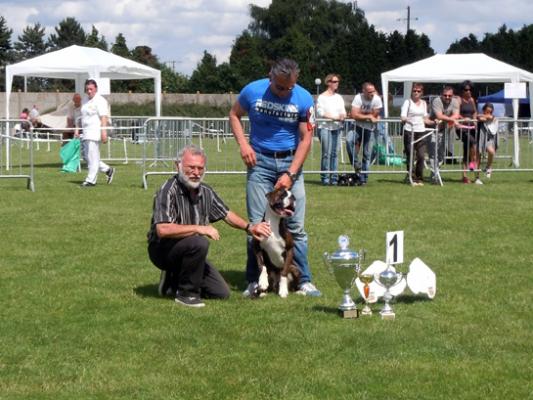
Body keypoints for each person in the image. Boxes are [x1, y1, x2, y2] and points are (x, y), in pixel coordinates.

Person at [229, 58, 322, 297]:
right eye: (280, 87)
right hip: (260, 162)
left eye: (289, 88)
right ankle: (254, 281)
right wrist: (243, 145)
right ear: (270, 76)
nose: (284, 92)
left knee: (296, 226)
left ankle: (304, 280)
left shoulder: (303, 98)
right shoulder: (252, 90)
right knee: (256, 226)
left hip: (291, 162)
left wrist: (291, 173)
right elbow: (234, 115)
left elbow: (306, 139)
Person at [147, 145, 271, 308]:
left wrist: (250, 227)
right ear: (177, 166)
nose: (196, 173)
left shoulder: (205, 191)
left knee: (221, 293)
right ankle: (186, 295)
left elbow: (226, 214)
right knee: (199, 242)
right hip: (163, 250)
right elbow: (162, 230)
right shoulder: (167, 190)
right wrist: (200, 228)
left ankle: (173, 279)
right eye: (191, 167)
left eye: (200, 168)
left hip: (190, 251)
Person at [77, 79, 115, 187]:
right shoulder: (84, 100)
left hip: (95, 131)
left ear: (96, 89)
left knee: (92, 156)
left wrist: (104, 131)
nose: (89, 91)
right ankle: (108, 170)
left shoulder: (100, 100)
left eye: (91, 89)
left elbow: (104, 117)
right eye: (87, 89)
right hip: (86, 131)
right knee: (87, 157)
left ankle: (90, 180)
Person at [347, 82, 383, 185]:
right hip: (356, 126)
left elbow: (375, 114)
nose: (372, 93)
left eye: (373, 91)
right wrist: (368, 116)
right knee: (349, 141)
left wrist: (360, 114)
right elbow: (354, 114)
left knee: (367, 154)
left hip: (370, 129)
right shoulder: (358, 98)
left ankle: (363, 179)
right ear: (364, 91)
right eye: (369, 92)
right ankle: (356, 164)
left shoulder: (377, 99)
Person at [400, 83, 434, 186]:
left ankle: (419, 178)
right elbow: (402, 117)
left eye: (418, 91)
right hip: (409, 131)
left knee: (421, 155)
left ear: (422, 93)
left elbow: (425, 119)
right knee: (410, 155)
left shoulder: (424, 103)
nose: (416, 93)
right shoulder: (407, 102)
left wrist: (434, 122)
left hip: (421, 131)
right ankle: (411, 177)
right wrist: (407, 120)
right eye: (414, 91)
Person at [316, 73, 346, 185]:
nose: (336, 84)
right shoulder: (322, 97)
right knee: (326, 153)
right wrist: (334, 117)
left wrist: (342, 116)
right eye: (334, 81)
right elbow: (320, 112)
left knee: (335, 153)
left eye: (337, 81)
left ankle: (334, 178)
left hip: (337, 128)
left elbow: (342, 110)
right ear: (328, 82)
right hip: (324, 127)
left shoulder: (339, 97)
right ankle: (325, 178)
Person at [429, 86, 461, 183]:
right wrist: (452, 120)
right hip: (431, 129)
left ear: (452, 95)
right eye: (445, 95)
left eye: (449, 95)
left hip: (444, 130)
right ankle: (434, 176)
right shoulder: (436, 101)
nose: (447, 97)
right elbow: (439, 116)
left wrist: (452, 119)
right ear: (441, 95)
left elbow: (456, 114)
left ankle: (435, 173)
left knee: (441, 155)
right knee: (433, 154)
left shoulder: (455, 102)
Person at [457, 80, 480, 184]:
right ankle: (472, 163)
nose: (468, 91)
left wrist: (474, 119)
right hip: (462, 127)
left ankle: (464, 176)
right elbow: (456, 114)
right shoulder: (459, 100)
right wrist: (465, 118)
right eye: (466, 89)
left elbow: (475, 111)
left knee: (466, 150)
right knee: (472, 143)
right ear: (462, 91)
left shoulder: (472, 100)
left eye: (470, 89)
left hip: (471, 127)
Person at [477, 102, 499, 179]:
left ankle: (488, 167)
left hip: (489, 139)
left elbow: (489, 117)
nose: (488, 113)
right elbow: (480, 118)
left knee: (491, 151)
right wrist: (482, 116)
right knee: (476, 157)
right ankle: (476, 173)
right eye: (487, 111)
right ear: (483, 110)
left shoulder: (493, 117)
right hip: (480, 138)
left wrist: (484, 116)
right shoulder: (481, 115)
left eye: (490, 111)